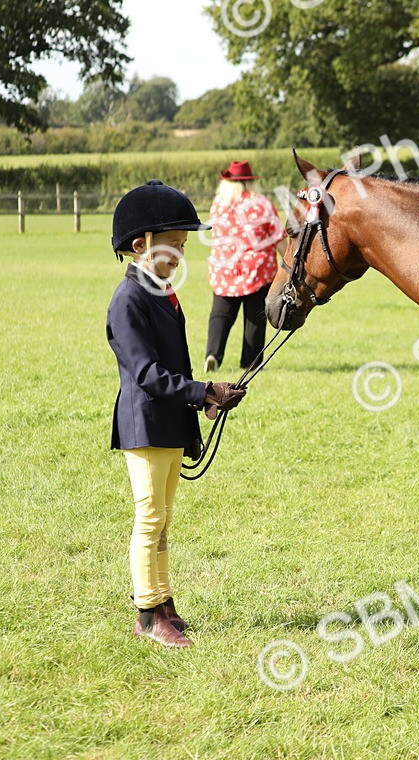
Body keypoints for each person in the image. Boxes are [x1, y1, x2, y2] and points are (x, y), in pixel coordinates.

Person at [108, 180, 247, 648]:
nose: (181, 256)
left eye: (186, 246)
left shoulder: (163, 291)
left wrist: (203, 403)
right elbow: (147, 374)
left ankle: (164, 601)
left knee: (165, 519)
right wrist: (204, 389)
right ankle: (147, 615)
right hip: (144, 424)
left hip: (168, 423)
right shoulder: (128, 301)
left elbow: (176, 368)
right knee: (149, 518)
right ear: (140, 245)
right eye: (175, 245)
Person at [204, 161, 286, 373]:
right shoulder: (262, 204)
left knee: (220, 314)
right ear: (250, 182)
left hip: (225, 269)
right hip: (257, 270)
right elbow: (278, 237)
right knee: (255, 318)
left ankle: (213, 354)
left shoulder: (219, 204)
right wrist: (289, 262)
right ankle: (251, 362)